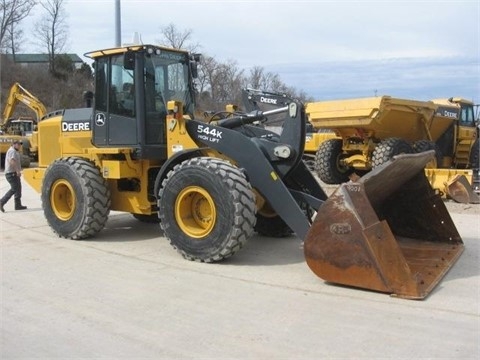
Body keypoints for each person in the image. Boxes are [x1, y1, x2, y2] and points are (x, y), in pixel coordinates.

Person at [0, 140, 27, 212]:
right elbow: (12, 161)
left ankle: (18, 205)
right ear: (14, 144)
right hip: (11, 173)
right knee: (14, 188)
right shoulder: (12, 151)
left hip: (13, 173)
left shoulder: (14, 151)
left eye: (20, 144)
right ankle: (2, 201)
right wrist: (17, 171)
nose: (19, 146)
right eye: (18, 144)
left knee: (18, 188)